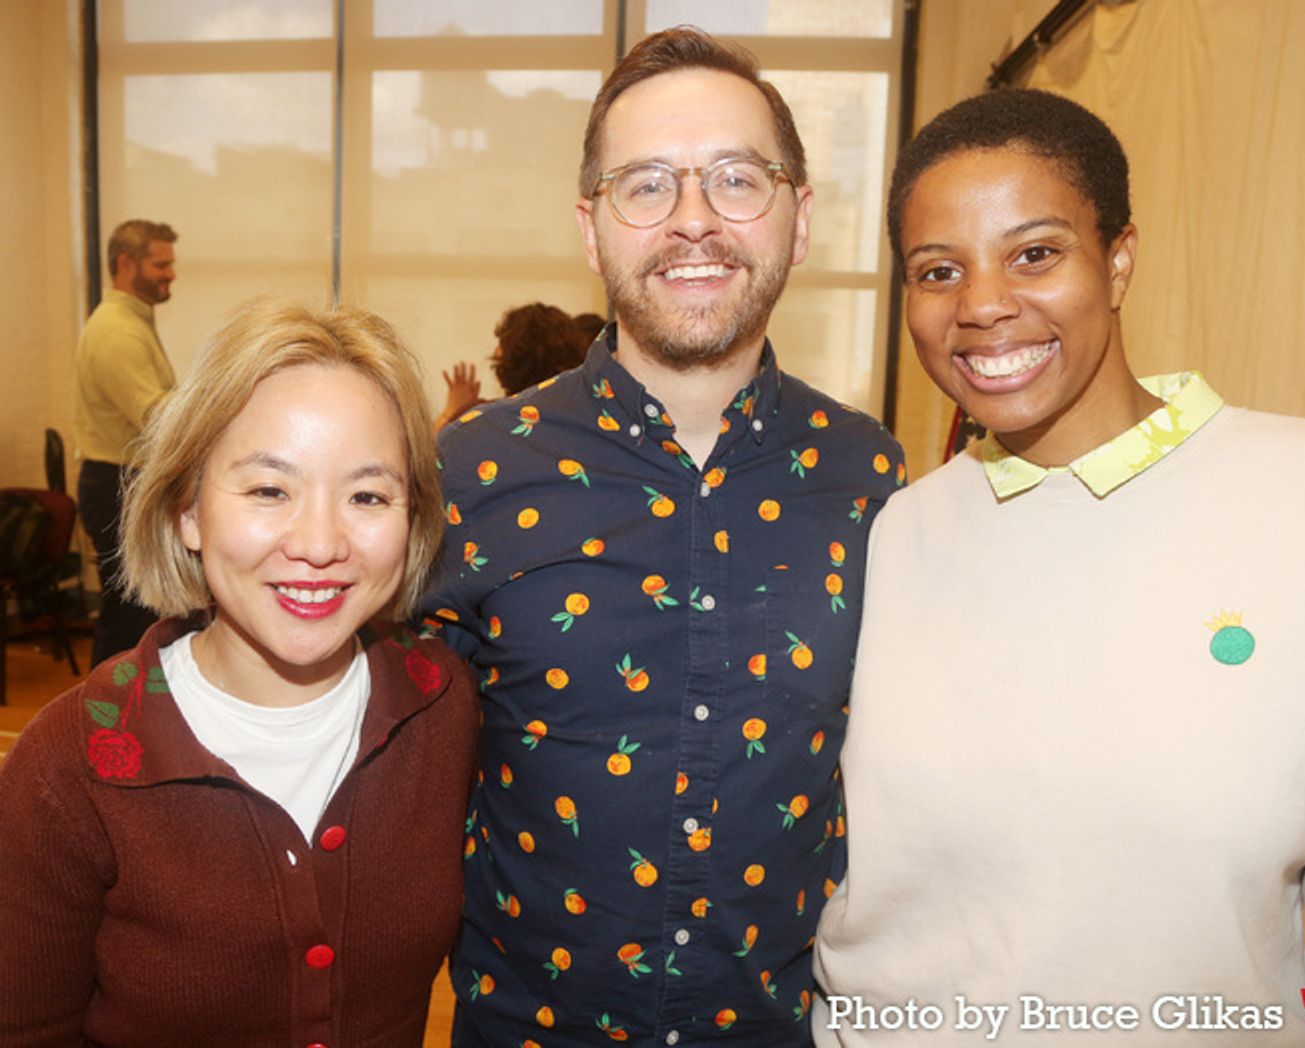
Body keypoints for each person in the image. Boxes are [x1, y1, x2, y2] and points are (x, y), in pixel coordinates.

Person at [812, 88, 1305, 1045]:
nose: (985, 304)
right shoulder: (892, 536)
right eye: (938, 270)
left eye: (1035, 253)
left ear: (1119, 259)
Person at [421, 27, 904, 1047]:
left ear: (800, 217)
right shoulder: (473, 473)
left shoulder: (874, 479)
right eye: (646, 186)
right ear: (592, 228)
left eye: (736, 178)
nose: (693, 221)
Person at [0, 301, 480, 1046]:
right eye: (268, 490)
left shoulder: (444, 708)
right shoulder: (69, 764)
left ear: (413, 520)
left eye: (367, 495)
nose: (320, 544)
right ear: (188, 510)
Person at [74, 219, 180, 667]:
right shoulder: (119, 331)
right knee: (127, 616)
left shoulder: (132, 320)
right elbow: (155, 417)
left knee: (135, 611)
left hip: (123, 481)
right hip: (116, 484)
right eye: (161, 264)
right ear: (125, 264)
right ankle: (103, 717)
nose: (171, 273)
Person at [435, 302, 594, 430]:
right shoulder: (586, 418)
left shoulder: (478, 419)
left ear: (507, 358)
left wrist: (451, 411)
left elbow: (424, 461)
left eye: (501, 344)